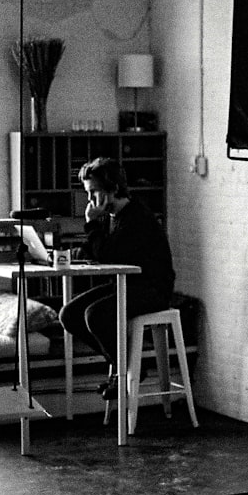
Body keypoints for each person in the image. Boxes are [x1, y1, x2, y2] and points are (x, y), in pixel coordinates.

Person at [59, 157, 175, 398]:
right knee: (69, 314)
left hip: (153, 290)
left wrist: (91, 223)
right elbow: (100, 251)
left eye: (93, 192)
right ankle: (123, 366)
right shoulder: (113, 217)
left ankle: (126, 370)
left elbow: (109, 255)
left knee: (96, 314)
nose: (90, 200)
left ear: (112, 189)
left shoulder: (136, 217)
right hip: (126, 285)